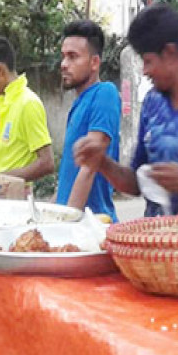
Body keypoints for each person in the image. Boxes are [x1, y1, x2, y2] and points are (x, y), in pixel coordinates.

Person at [74, 3, 178, 217]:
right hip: (156, 246)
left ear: (170, 53)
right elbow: (136, 184)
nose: (145, 71)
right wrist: (102, 162)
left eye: (148, 61)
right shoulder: (152, 104)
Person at [53, 20, 121, 221]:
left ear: (94, 63)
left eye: (73, 57)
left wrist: (67, 227)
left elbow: (88, 169)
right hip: (72, 221)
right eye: (63, 56)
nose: (64, 64)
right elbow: (68, 176)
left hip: (89, 227)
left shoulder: (105, 93)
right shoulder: (78, 104)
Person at [0, 37, 55, 182]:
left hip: (16, 200)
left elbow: (47, 163)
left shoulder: (28, 103)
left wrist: (0, 179)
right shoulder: (5, 105)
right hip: (0, 197)